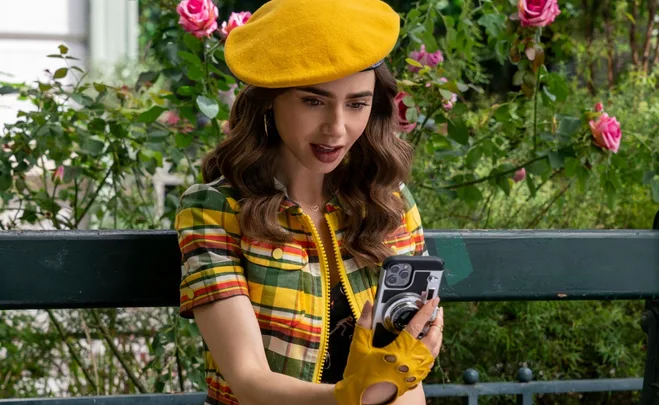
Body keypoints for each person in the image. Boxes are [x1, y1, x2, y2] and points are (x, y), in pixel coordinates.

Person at [174, 0, 445, 404]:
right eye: (312, 101)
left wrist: (388, 384)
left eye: (357, 103)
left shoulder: (388, 202)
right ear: (270, 99)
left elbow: (406, 379)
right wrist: (355, 397)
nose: (336, 128)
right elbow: (248, 382)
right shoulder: (215, 208)